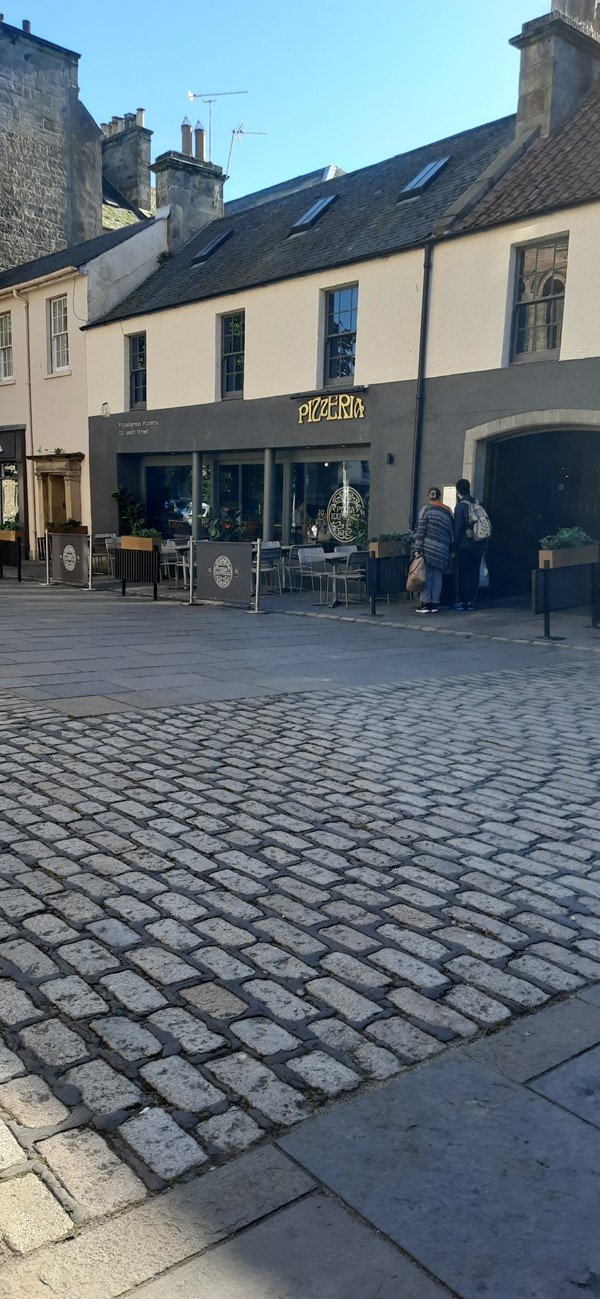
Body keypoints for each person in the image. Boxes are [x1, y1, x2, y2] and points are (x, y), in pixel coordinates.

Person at [413, 487, 454, 613]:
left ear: (428, 497)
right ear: (440, 497)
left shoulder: (425, 510)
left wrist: (417, 549)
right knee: (437, 576)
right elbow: (451, 534)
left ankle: (425, 604)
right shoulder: (448, 512)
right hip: (442, 549)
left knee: (426, 575)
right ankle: (435, 603)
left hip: (428, 548)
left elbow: (420, 531)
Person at [453, 478, 489, 611]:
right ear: (469, 489)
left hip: (464, 545)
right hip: (478, 544)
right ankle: (470, 601)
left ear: (458, 491)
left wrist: (453, 547)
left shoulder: (461, 506)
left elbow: (457, 529)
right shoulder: (478, 503)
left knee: (462, 573)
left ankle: (461, 601)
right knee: (474, 572)